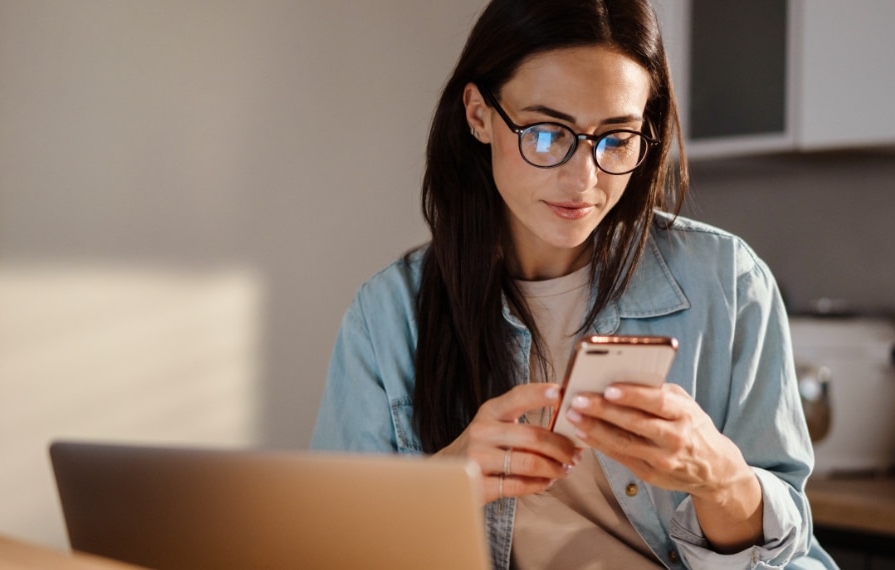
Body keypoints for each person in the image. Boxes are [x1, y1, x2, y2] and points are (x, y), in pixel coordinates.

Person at [310, 0, 835, 568]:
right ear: (479, 115)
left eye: (616, 139)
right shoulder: (389, 316)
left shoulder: (728, 283)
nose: (583, 179)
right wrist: (445, 480)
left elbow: (795, 558)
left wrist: (722, 480)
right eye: (545, 133)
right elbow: (325, 545)